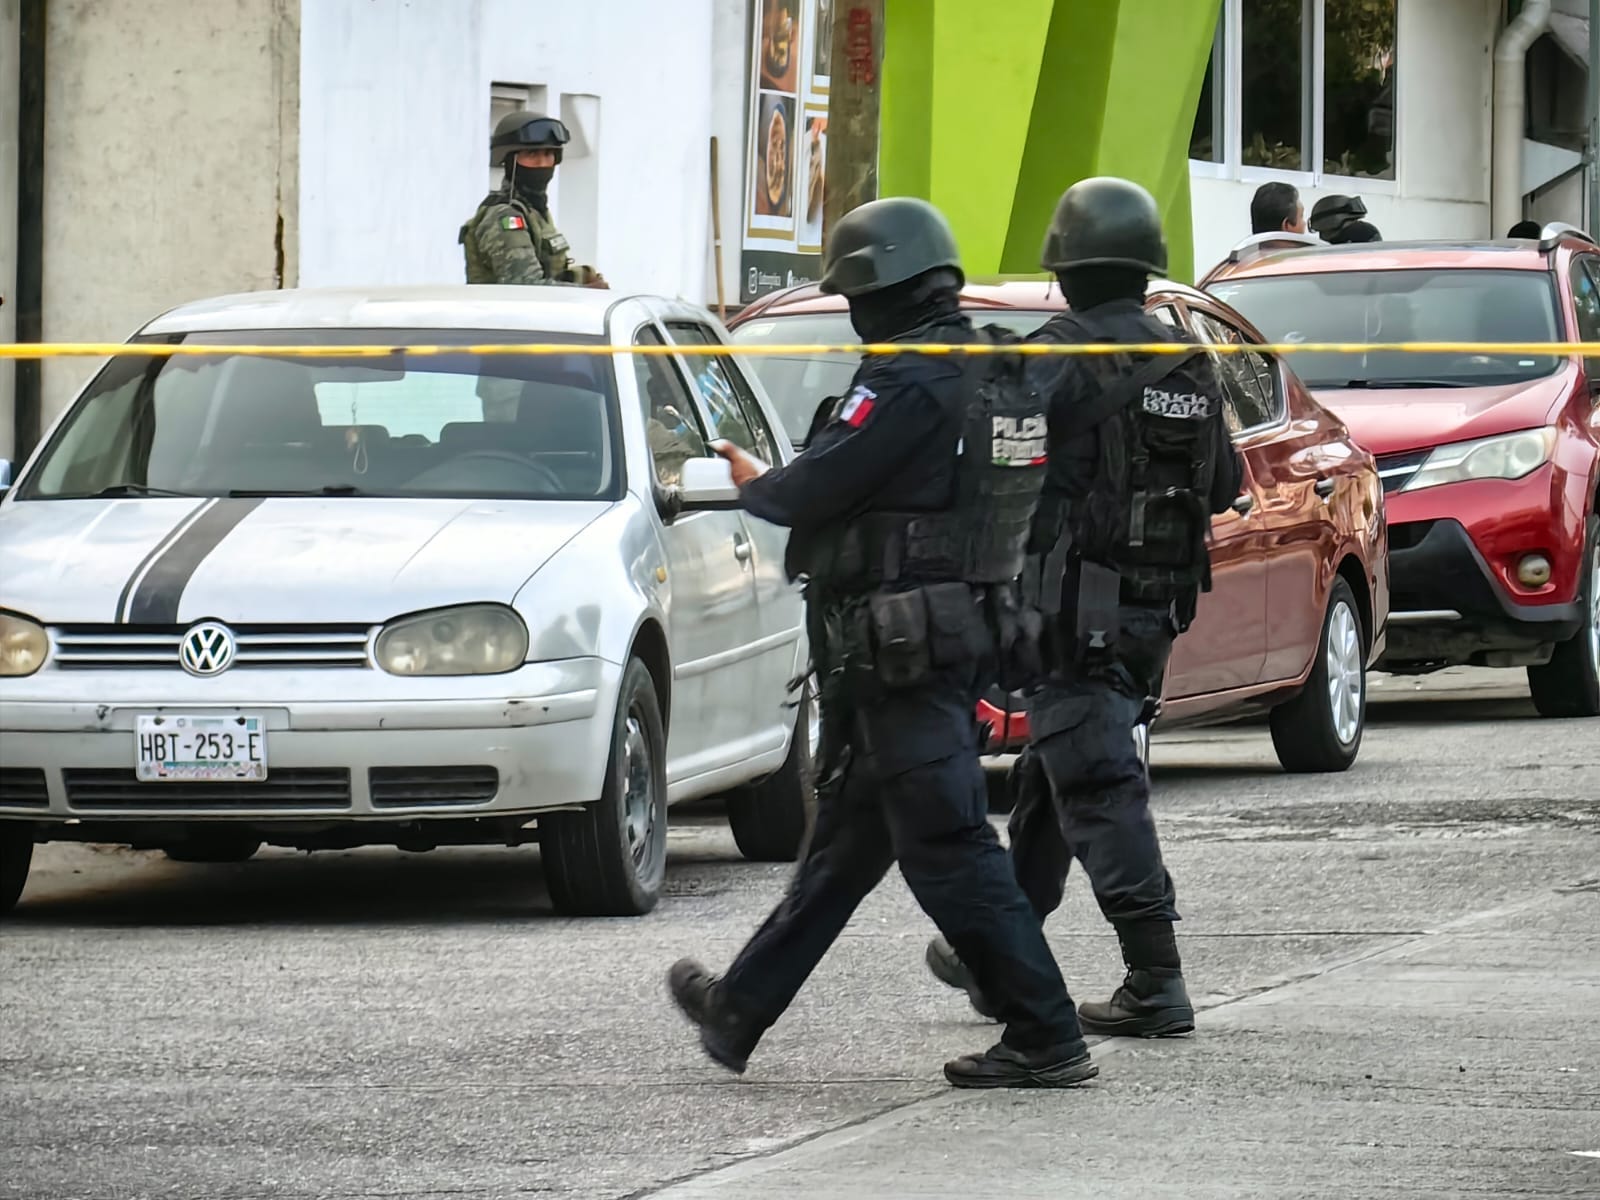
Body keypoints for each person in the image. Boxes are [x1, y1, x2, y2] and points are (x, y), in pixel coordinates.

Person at [667, 196, 1097, 1090]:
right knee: (847, 846)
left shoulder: (908, 375)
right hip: (946, 630)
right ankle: (739, 1009)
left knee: (949, 847)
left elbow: (820, 487)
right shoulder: (992, 367)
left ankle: (1045, 1031)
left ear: (879, 290)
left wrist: (759, 480)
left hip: (904, 645)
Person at [925, 177, 1244, 1040]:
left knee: (1097, 786)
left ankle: (1155, 980)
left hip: (1069, 614)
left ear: (1063, 270)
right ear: (1148, 269)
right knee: (1054, 777)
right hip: (1155, 614)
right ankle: (999, 954)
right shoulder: (1189, 359)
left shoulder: (1052, 359)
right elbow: (1226, 485)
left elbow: (993, 478)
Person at [459, 110, 607, 287]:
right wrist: (585, 291)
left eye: (548, 154)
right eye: (531, 154)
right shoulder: (505, 215)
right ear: (510, 159)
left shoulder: (534, 211)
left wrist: (581, 276)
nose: (542, 163)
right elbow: (524, 286)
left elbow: (548, 274)